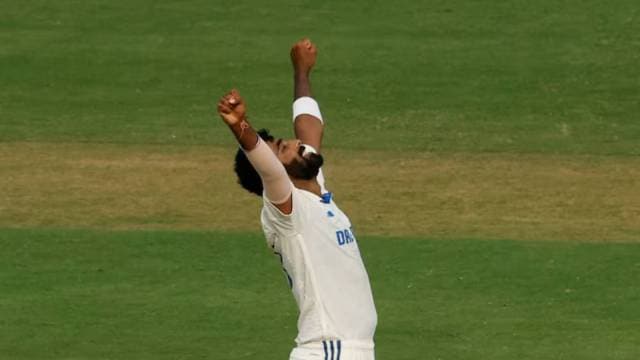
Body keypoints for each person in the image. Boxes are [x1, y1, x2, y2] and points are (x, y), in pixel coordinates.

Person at [216, 38, 377, 360]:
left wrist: (301, 71)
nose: (294, 143)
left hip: (349, 351)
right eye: (283, 149)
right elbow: (272, 172)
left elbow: (309, 127)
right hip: (330, 351)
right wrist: (240, 127)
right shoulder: (289, 211)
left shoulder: (312, 187)